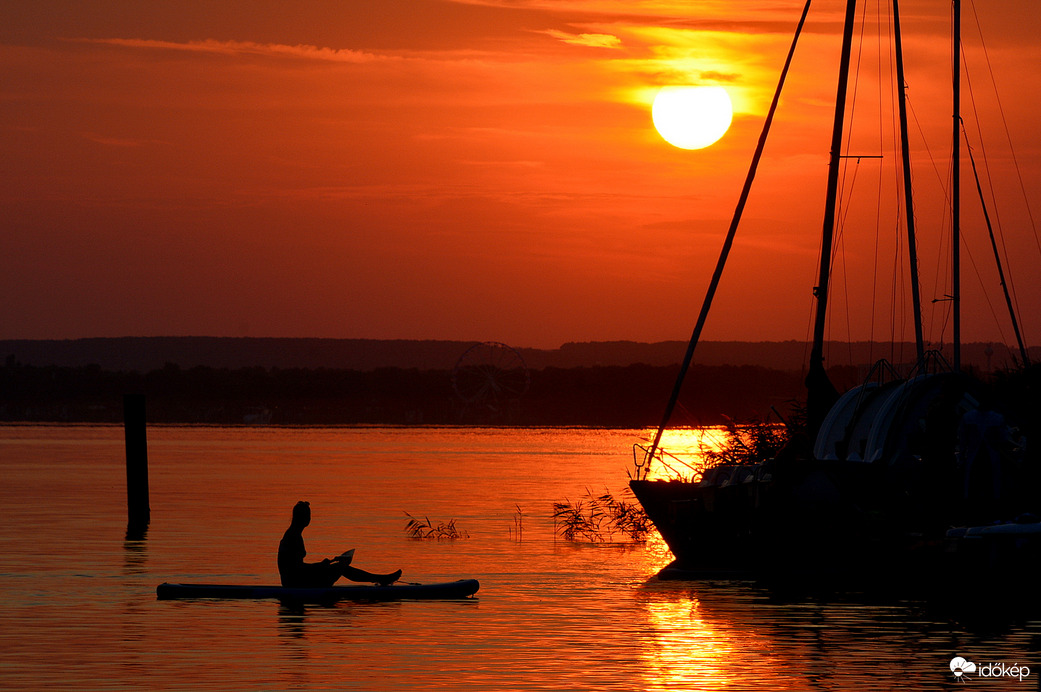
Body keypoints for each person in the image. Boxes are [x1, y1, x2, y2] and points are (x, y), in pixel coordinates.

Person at [278, 501, 402, 587]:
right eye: (308, 516)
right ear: (302, 518)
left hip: (295, 581)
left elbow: (297, 567)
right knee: (341, 567)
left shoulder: (293, 534)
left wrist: (320, 565)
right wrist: (320, 566)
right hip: (296, 583)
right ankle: (382, 580)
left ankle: (381, 579)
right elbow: (296, 569)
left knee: (340, 566)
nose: (309, 518)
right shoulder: (293, 537)